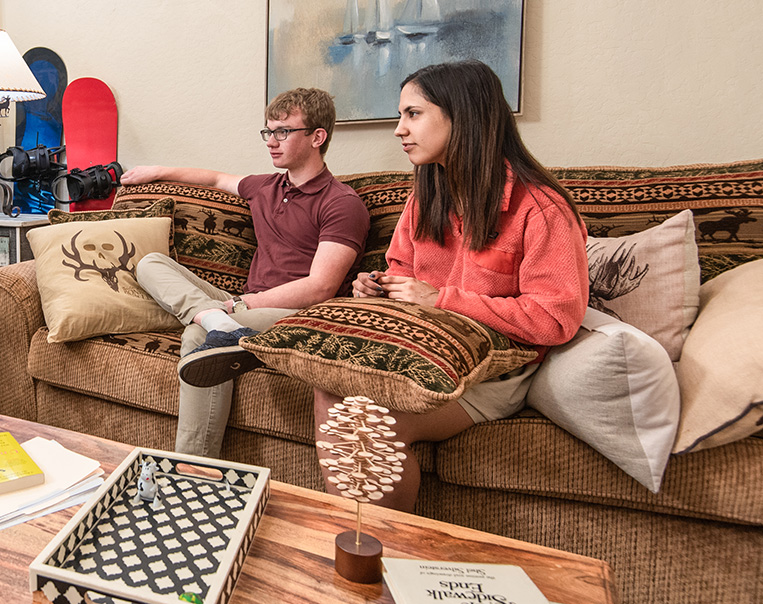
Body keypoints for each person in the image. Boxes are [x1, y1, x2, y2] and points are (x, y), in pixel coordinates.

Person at [336, 59, 589, 512]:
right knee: (332, 386)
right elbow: (401, 269)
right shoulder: (425, 195)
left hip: (489, 370)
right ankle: (353, 544)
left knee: (368, 417)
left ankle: (384, 556)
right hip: (420, 349)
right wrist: (378, 287)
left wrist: (440, 299)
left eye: (413, 114)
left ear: (463, 116)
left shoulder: (542, 209)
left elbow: (555, 319)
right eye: (401, 115)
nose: (399, 129)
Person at [120, 88, 370, 459]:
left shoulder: (342, 203)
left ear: (317, 137)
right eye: (267, 132)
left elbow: (320, 288)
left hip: (296, 313)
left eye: (283, 132)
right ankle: (215, 319)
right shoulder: (265, 186)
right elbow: (214, 178)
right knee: (149, 263)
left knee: (195, 335)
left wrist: (242, 302)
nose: (271, 141)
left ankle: (193, 468)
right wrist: (156, 170)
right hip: (241, 308)